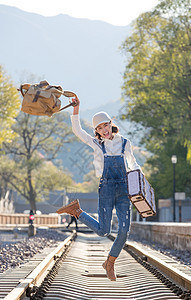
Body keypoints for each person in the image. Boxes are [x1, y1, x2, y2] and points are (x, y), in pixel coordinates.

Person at [56, 96, 142, 281]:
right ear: (96, 131)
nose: (104, 130)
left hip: (124, 191)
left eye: (106, 125)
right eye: (99, 128)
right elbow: (77, 131)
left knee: (124, 231)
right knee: (104, 231)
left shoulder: (125, 143)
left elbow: (134, 165)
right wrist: (77, 109)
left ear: (111, 124)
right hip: (106, 190)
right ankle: (77, 211)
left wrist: (139, 188)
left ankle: (110, 262)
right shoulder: (97, 144)